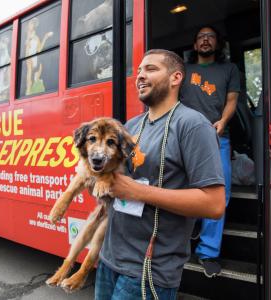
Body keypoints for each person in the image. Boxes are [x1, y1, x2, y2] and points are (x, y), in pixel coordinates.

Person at [95, 49, 226, 300]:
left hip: (148, 271)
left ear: (176, 78)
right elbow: (113, 180)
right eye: (139, 71)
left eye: (151, 69)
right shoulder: (130, 126)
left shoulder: (193, 125)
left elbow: (214, 204)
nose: (140, 76)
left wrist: (136, 191)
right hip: (109, 259)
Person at [180, 25, 240, 278]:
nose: (205, 40)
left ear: (218, 43)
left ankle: (208, 252)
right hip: (186, 138)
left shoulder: (229, 69)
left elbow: (232, 101)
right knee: (182, 189)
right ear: (195, 45)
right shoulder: (184, 71)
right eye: (201, 37)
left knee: (219, 195)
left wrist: (222, 122)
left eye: (210, 37)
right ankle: (187, 232)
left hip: (218, 138)